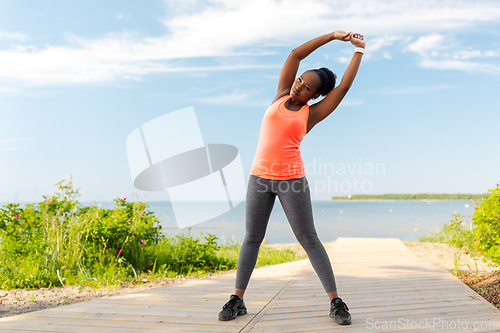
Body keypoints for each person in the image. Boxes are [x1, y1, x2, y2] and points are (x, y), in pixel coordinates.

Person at [218, 30, 365, 325]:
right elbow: (295, 55)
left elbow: (344, 88)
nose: (299, 87)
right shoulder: (280, 96)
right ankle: (237, 299)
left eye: (308, 87)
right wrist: (333, 36)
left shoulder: (312, 114)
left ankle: (336, 302)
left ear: (316, 95)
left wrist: (358, 51)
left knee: (308, 238)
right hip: (259, 178)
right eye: (300, 81)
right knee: (252, 239)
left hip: (291, 181)